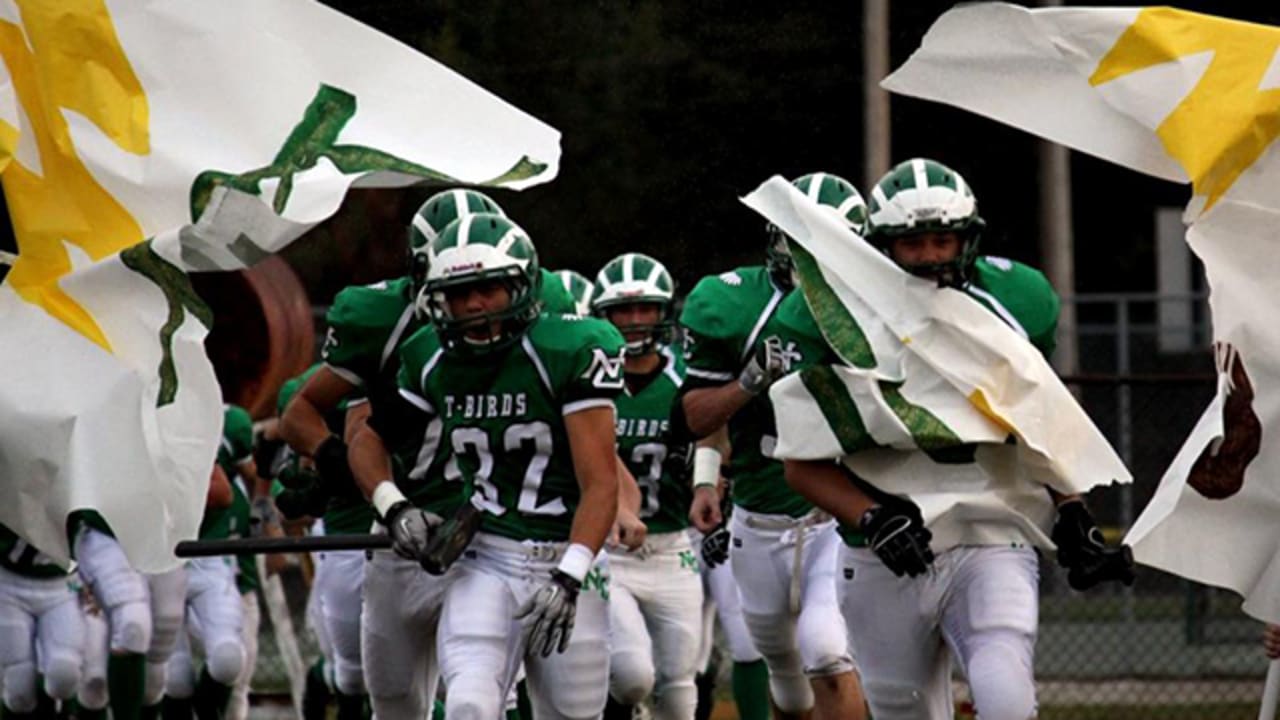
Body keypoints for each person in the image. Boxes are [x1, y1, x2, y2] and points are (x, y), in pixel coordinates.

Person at [781, 157, 1131, 720]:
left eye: (942, 239)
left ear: (967, 239)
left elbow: (1038, 421)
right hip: (886, 551)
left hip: (991, 531)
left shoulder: (1018, 301)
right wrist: (872, 516)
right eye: (912, 243)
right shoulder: (829, 317)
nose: (928, 257)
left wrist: (1072, 508)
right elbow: (800, 465)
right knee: (903, 709)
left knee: (1006, 699)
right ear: (879, 245)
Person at [350, 212, 626, 719]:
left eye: (489, 289)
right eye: (457, 293)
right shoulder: (429, 355)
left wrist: (569, 576)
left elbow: (601, 483)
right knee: (469, 707)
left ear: (521, 287)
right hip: (488, 554)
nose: (473, 306)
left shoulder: (568, 348)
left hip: (571, 554)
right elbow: (367, 444)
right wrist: (394, 507)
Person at [679, 173, 869, 720]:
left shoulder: (878, 312)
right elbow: (698, 417)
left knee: (828, 650)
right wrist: (707, 474)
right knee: (784, 676)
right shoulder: (734, 303)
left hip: (838, 515)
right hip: (759, 515)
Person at [589, 252, 704, 720]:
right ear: (604, 315)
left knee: (678, 687)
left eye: (645, 309)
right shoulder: (588, 377)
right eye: (623, 310)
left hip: (672, 548)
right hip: (608, 550)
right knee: (634, 676)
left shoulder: (686, 379)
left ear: (664, 313)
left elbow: (718, 434)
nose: (635, 321)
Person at [0, 523, 84, 718]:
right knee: (18, 690)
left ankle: (65, 712)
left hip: (62, 586)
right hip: (9, 583)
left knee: (65, 675)